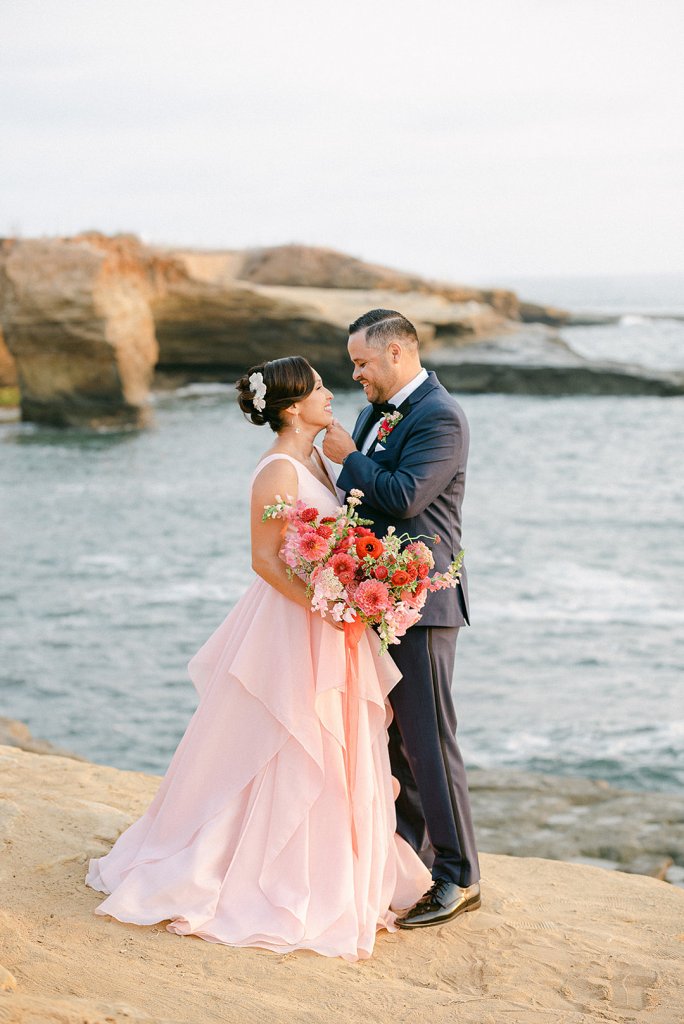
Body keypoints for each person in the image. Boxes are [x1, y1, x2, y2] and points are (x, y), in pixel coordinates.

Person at [85, 355, 430, 962]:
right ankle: (251, 869)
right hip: (295, 624)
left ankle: (328, 868)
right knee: (285, 738)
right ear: (292, 407)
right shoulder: (274, 470)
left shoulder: (317, 458)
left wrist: (357, 584)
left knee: (335, 742)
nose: (332, 393)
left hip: (332, 624)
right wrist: (328, 606)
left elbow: (346, 527)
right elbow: (265, 561)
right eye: (321, 387)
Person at [323, 309, 481, 928]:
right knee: (393, 741)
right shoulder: (372, 413)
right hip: (379, 598)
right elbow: (363, 505)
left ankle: (458, 875)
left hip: (426, 600)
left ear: (396, 353)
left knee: (430, 740)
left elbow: (405, 495)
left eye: (361, 362)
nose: (355, 373)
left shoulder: (440, 416)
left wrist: (346, 457)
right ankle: (406, 862)